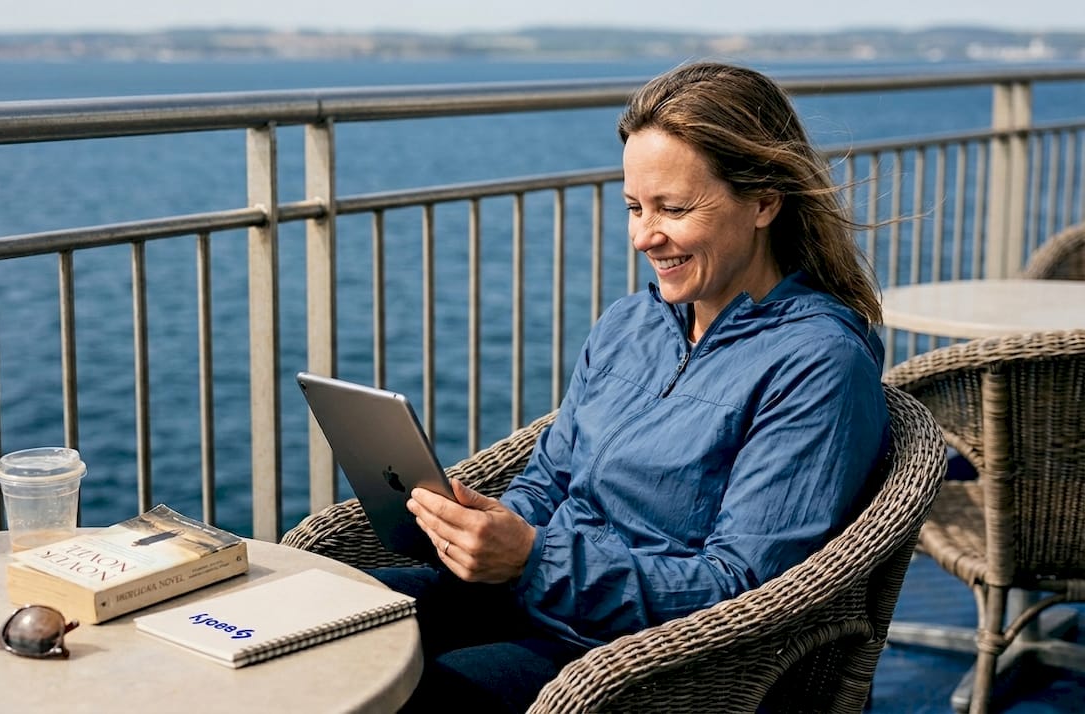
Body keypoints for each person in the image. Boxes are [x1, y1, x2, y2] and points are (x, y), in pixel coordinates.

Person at [371, 60, 891, 713]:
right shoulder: (631, 323)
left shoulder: (816, 365)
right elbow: (549, 481)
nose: (645, 236)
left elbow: (741, 587)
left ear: (763, 203)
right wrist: (481, 525)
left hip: (648, 662)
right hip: (537, 600)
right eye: (634, 207)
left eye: (673, 208)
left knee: (420, 691)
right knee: (323, 623)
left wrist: (533, 561)